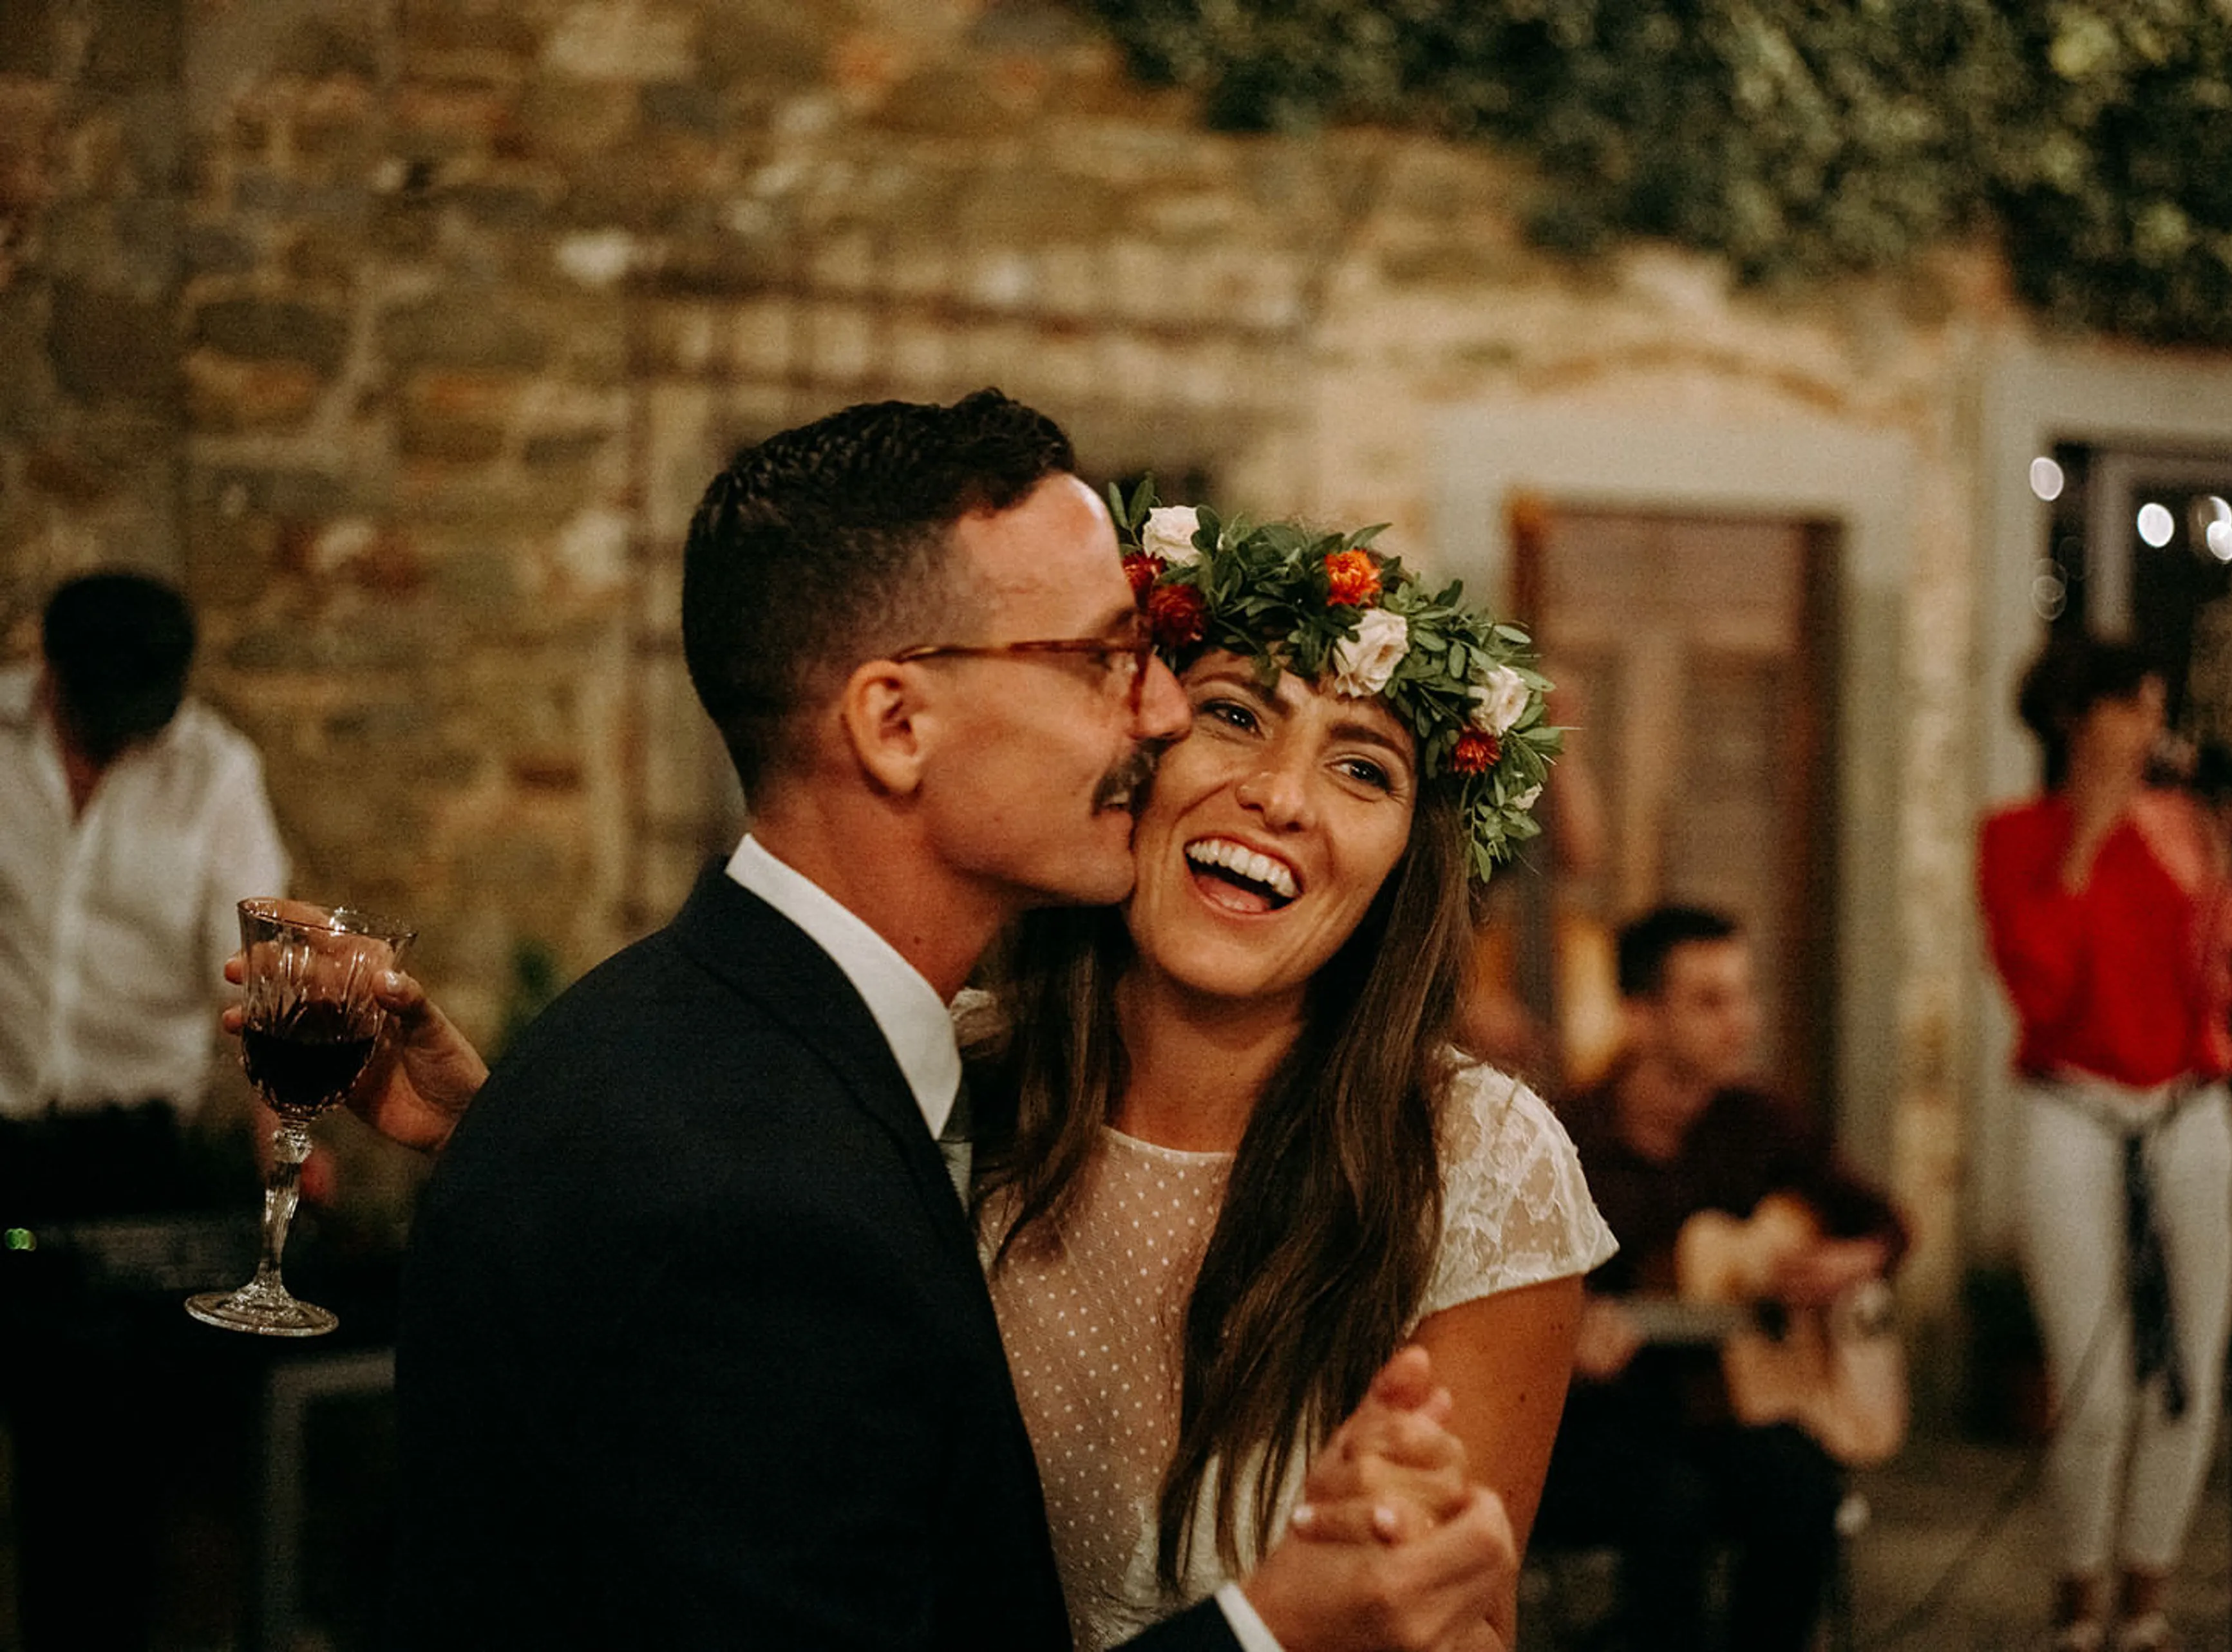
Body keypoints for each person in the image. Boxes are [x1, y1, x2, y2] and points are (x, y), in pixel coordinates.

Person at [380, 392, 1518, 1652]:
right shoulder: (745, 1202)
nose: (1157, 712)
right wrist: (1269, 1627)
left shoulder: (691, 1045)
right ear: (895, 722)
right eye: (1100, 660)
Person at [965, 493, 1612, 1648]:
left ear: (1404, 871)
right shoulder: (943, 1080)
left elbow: (1466, 1629)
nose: (1280, 796)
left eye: (1363, 770)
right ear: (1138, 745)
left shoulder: (1475, 1163)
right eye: (1233, 714)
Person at [0, 569, 288, 1651]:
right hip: (1, 1141)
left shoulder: (218, 774)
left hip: (128, 1159)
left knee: (101, 1481)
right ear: (54, 673)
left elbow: (256, 966)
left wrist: (282, 1132)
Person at [1978, 635, 2232, 1652]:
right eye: (2133, 705)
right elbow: (2039, 989)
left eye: (2156, 705)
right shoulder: (2014, 837)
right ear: (2075, 718)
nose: (2153, 724)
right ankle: (2078, 1590)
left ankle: (2147, 1594)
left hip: (2189, 1109)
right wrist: (2086, 843)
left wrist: (2223, 881)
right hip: (2075, 1110)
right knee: (2091, 1383)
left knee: (2190, 1365)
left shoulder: (2189, 824)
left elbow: (2227, 973)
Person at [1536, 904, 1907, 1652]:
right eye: (1712, 1001)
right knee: (1669, 1503)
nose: (1743, 1022)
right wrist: (1560, 1346)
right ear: (1640, 1016)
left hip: (1732, 1413)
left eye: (1745, 995)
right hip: (1603, 1422)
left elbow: (1885, 1225)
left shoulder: (1760, 1122)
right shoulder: (1563, 1140)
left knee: (1801, 1486)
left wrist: (1849, 1261)